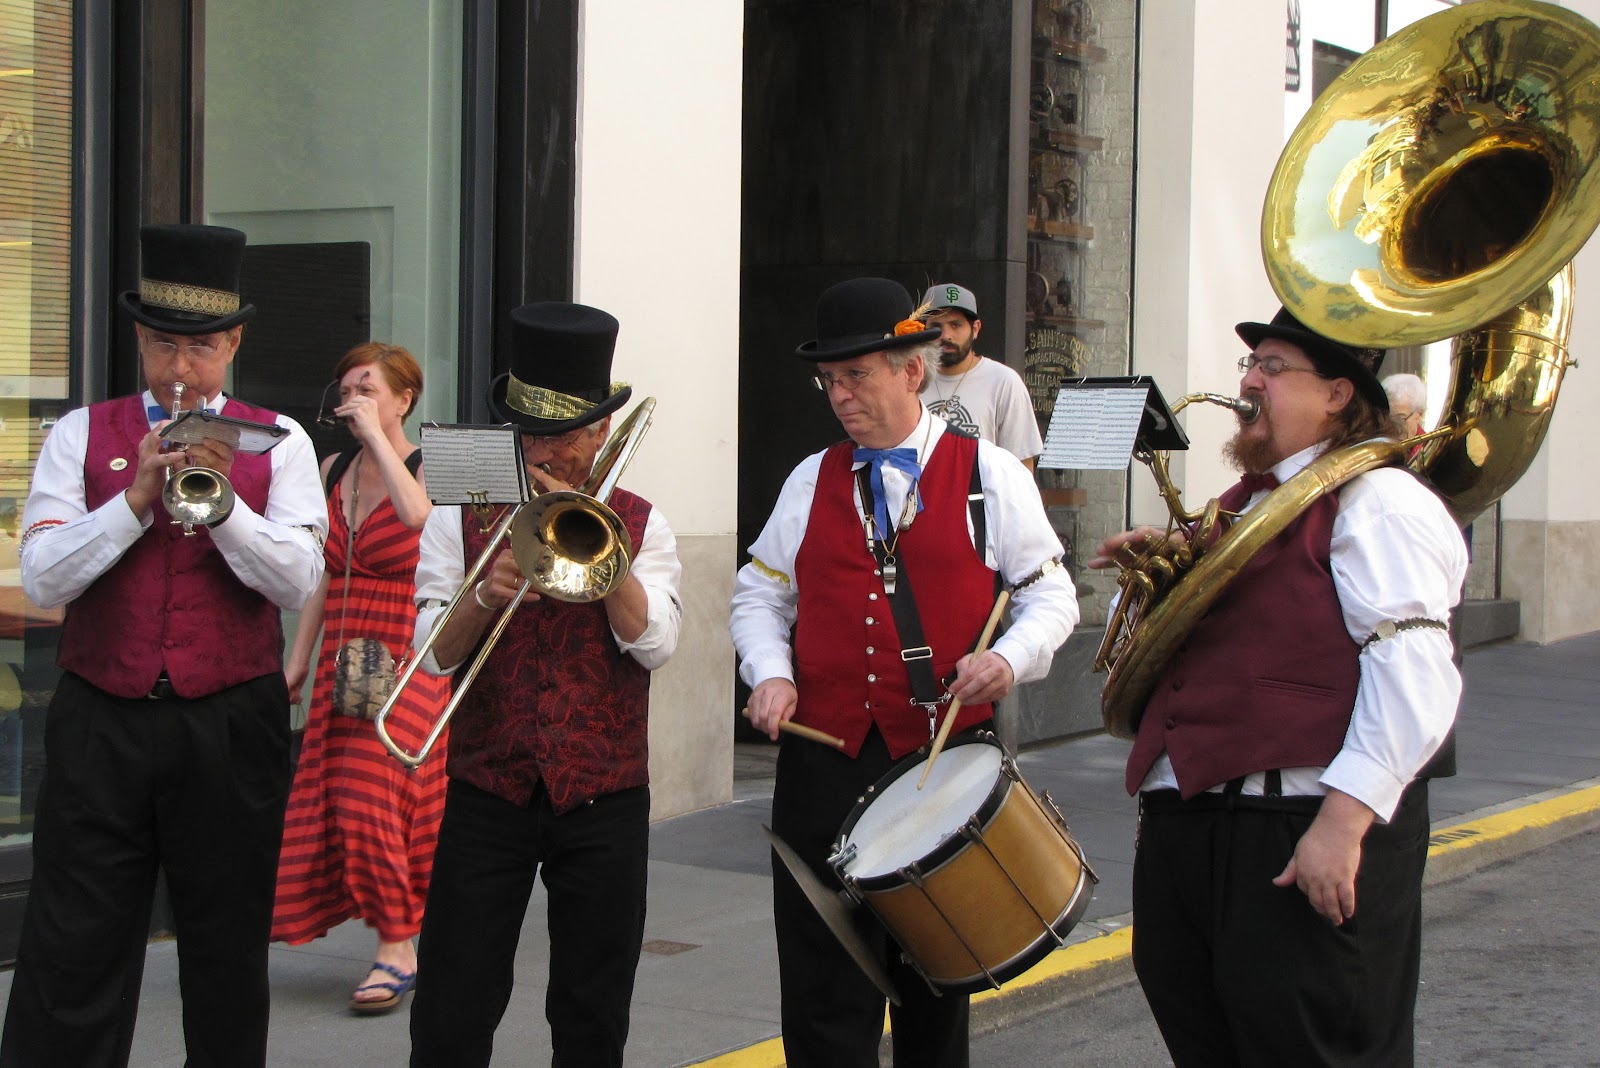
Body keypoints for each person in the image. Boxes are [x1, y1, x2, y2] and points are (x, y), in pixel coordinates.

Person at [1088, 306, 1468, 1066]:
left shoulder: (1381, 502)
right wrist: (1174, 567)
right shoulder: (1240, 508)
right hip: (1194, 829)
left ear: (1336, 395)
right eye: (1248, 366)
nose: (1248, 382)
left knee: (1314, 1048)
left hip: (1295, 827)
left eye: (1271, 367)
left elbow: (1413, 669)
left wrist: (1344, 823)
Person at [731, 277, 1079, 1068]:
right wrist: (771, 672)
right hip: (824, 763)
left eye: (858, 375)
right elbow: (760, 592)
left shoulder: (991, 473)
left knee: (933, 983)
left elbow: (1049, 592)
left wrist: (1008, 658)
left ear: (912, 372)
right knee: (821, 988)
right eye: (830, 381)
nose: (841, 396)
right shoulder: (807, 478)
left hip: (939, 763)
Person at [3, 223, 327, 1066]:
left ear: (234, 343)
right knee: (73, 943)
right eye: (161, 347)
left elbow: (296, 581)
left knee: (224, 945)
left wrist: (222, 508)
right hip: (100, 716)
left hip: (228, 718)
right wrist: (133, 501)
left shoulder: (283, 441)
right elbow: (42, 577)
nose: (180, 371)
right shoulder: (82, 434)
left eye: (200, 349)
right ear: (139, 341)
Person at [407, 302, 683, 1068]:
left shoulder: (641, 522)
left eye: (561, 436)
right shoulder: (458, 518)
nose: (543, 454)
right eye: (528, 435)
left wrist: (605, 566)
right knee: (450, 1013)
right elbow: (432, 656)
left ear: (600, 433)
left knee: (593, 1018)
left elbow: (656, 644)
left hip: (604, 797)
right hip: (487, 792)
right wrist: (483, 594)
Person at [271, 342, 448, 1015]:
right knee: (348, 800)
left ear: (404, 399)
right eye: (347, 391)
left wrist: (378, 439)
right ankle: (403, 933)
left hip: (409, 652)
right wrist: (297, 658)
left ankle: (398, 944)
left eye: (369, 390)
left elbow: (420, 522)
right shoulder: (331, 465)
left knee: (375, 793)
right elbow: (319, 574)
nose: (353, 402)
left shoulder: (429, 464)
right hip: (344, 655)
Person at [918, 282, 1044, 469]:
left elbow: (1021, 464)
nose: (946, 335)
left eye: (956, 325)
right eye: (936, 326)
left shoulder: (1003, 382)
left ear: (975, 329)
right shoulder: (910, 379)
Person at [1383, 371, 1428, 438]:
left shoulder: (1430, 447)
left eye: (1400, 419)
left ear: (1420, 414)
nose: (1391, 426)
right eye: (1386, 417)